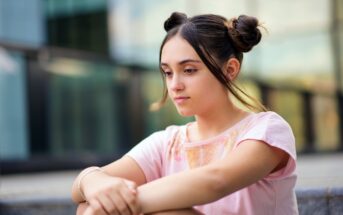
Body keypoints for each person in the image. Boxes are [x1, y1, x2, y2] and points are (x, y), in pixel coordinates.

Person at [71, 11, 298, 215]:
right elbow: (79, 192)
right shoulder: (166, 143)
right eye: (168, 73)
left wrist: (124, 205)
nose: (175, 85)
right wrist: (94, 182)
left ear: (230, 70)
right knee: (89, 205)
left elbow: (215, 180)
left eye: (189, 70)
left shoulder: (267, 130)